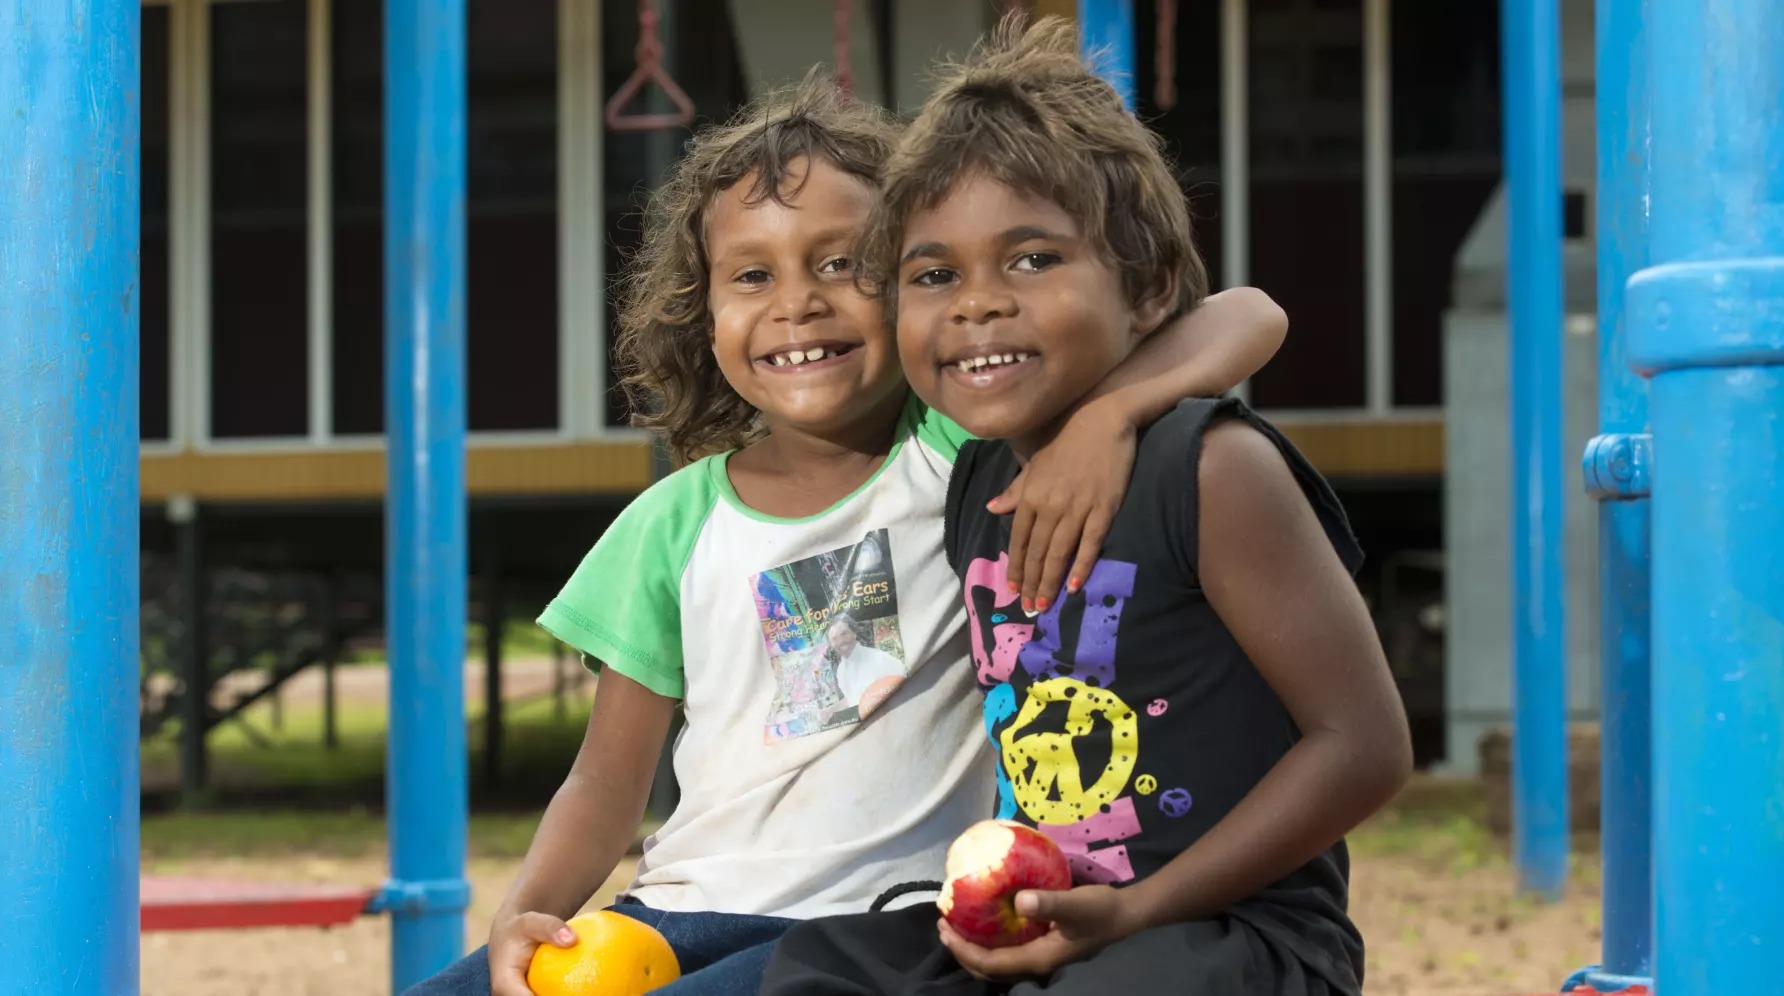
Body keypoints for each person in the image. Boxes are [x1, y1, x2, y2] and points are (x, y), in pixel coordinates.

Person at [404, 68, 1287, 996]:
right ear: (702, 317)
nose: (799, 304)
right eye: (752, 276)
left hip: (871, 932)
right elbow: (605, 782)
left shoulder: (966, 453)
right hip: (670, 907)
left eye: (842, 265)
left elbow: (1248, 314)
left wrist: (1113, 414)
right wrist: (522, 916)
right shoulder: (673, 521)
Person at [759, 17, 1412, 996]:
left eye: (1030, 259)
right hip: (1049, 914)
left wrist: (1139, 909)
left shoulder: (1208, 469)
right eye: (934, 276)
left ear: (1145, 290)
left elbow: (1366, 749)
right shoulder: (974, 477)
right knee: (817, 972)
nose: (977, 303)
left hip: (1227, 934)